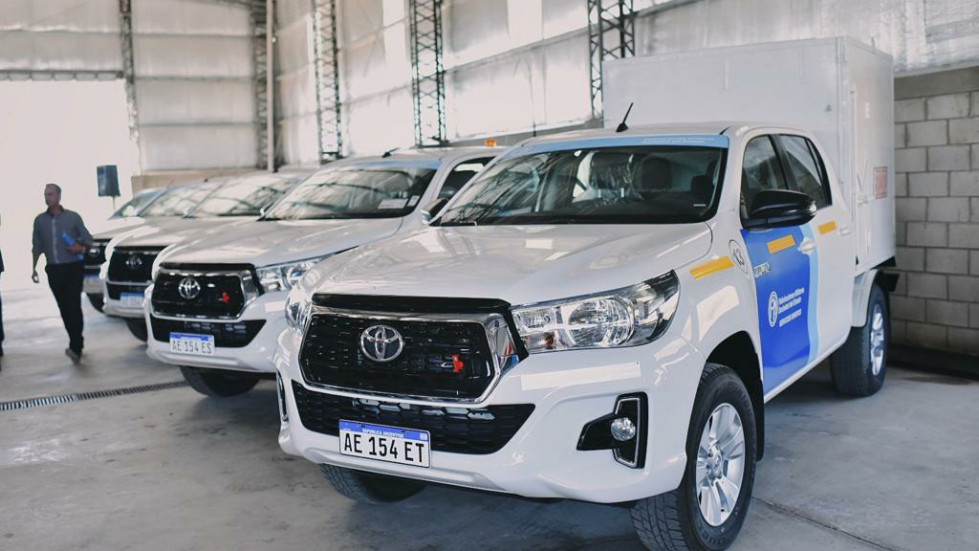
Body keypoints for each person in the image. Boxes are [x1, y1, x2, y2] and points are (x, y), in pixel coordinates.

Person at [32, 183, 92, 363]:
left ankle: (76, 345)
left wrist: (79, 248)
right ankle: (75, 340)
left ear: (58, 196)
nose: (47, 197)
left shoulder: (73, 218)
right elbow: (37, 246)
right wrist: (33, 268)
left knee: (73, 305)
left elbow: (88, 240)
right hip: (54, 270)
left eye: (50, 194)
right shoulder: (39, 221)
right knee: (63, 307)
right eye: (45, 195)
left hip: (73, 268)